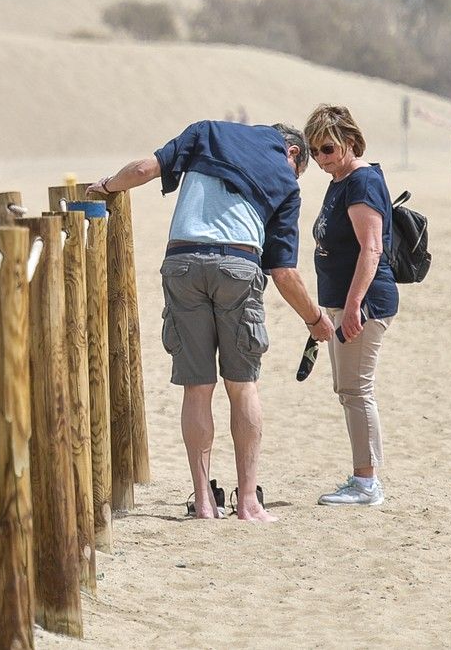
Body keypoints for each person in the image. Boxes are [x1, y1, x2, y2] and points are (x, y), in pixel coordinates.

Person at [87, 120, 334, 522]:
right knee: (242, 387)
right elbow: (284, 273)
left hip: (182, 262)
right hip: (238, 264)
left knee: (197, 389)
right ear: (293, 152)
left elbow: (143, 171)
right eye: (299, 169)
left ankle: (204, 502)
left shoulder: (208, 133)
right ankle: (249, 502)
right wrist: (315, 319)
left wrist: (106, 186)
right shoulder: (287, 183)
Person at [304, 105, 398, 507]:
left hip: (367, 302)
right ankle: (363, 476)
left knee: (357, 389)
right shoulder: (340, 180)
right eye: (313, 152)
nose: (321, 159)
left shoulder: (360, 181)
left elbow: (371, 247)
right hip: (343, 303)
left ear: (349, 142)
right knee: (346, 389)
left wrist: (355, 304)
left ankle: (367, 483)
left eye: (327, 148)